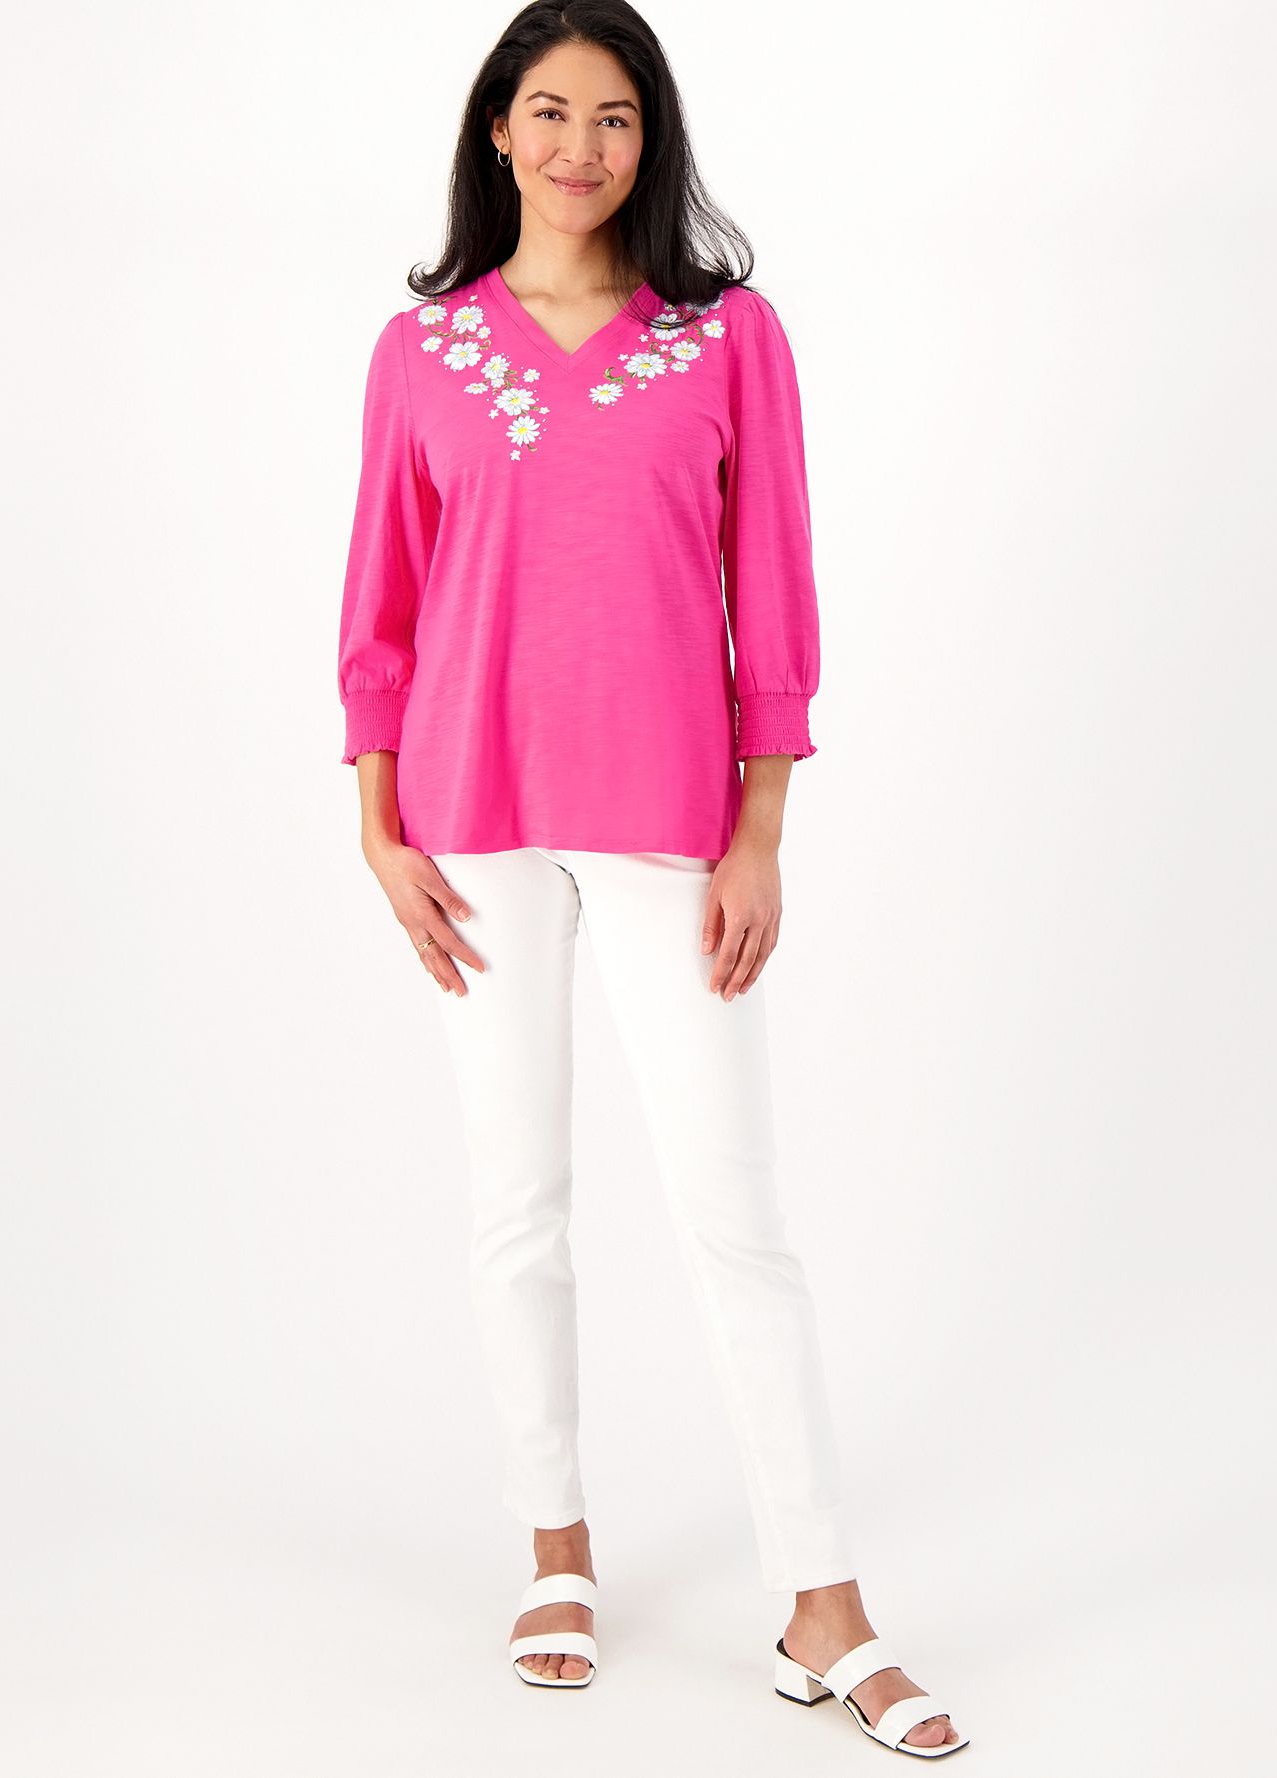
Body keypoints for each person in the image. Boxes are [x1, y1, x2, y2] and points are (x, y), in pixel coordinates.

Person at [334, 3, 968, 1759]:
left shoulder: (726, 337)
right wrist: (379, 824)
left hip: (670, 815)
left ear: (650, 141)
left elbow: (776, 583)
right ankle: (555, 1548)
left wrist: (762, 826)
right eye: (548, 111)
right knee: (515, 1198)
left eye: (614, 118)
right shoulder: (420, 350)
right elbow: (382, 601)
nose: (579, 147)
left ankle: (822, 1598)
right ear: (497, 129)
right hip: (470, 817)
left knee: (732, 1214)